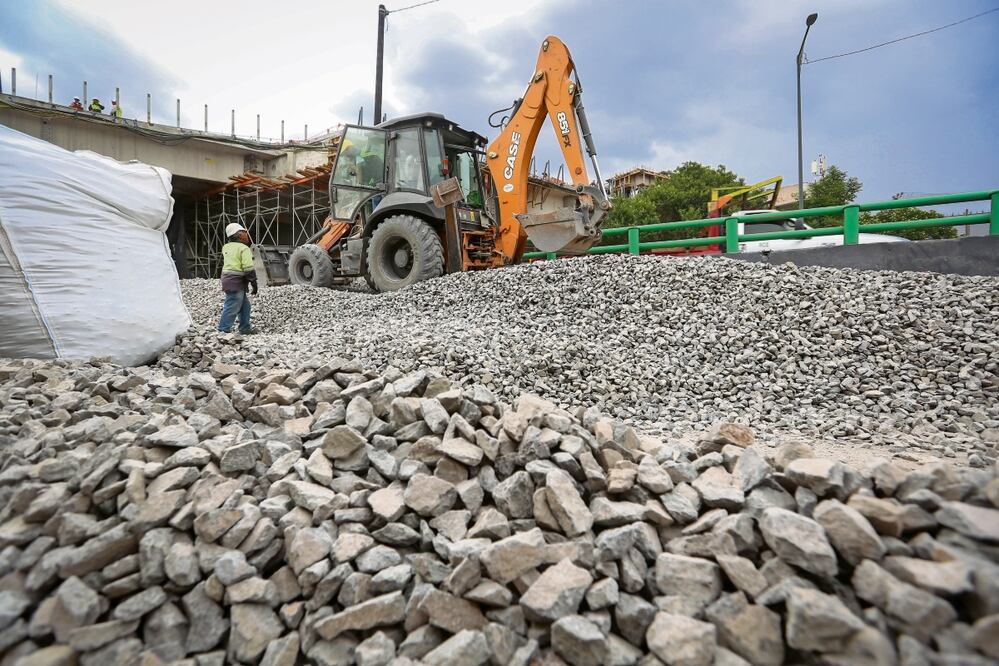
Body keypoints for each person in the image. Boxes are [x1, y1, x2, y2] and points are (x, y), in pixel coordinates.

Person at [218, 223, 259, 334]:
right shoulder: (244, 248)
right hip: (236, 281)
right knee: (232, 305)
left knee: (245, 305)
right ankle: (223, 330)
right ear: (237, 235)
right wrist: (254, 282)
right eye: (243, 233)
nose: (246, 235)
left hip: (228, 280)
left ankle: (245, 328)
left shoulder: (226, 247)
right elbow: (248, 268)